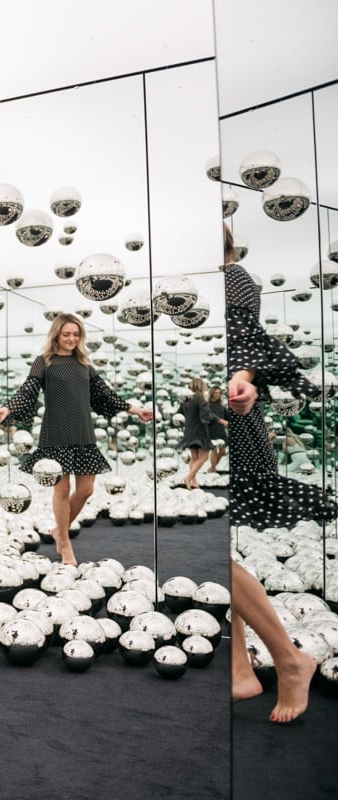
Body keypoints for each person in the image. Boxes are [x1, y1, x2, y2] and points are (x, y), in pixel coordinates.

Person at [222, 223, 331, 722]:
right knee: (218, 553)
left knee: (220, 556)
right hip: (214, 407)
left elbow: (247, 339)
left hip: (235, 409)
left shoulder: (235, 278)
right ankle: (241, 669)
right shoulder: (186, 286)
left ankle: (290, 660)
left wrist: (243, 378)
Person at [0, 313, 153, 566]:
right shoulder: (43, 362)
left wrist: (136, 409)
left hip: (83, 432)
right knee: (62, 490)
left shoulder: (84, 365)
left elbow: (106, 396)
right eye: (66, 334)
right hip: (55, 432)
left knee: (86, 490)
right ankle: (65, 542)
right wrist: (8, 409)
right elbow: (28, 390)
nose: (71, 338)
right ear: (56, 334)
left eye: (76, 334)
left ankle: (59, 530)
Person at [178, 377, 223, 489]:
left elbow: (179, 414)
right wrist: (217, 420)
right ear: (200, 386)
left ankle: (194, 482)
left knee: (194, 457)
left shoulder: (185, 400)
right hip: (200, 431)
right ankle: (188, 478)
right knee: (204, 457)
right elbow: (206, 416)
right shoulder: (199, 397)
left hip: (188, 432)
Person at [205, 385, 227, 473]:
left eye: (219, 393)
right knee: (214, 449)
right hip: (212, 429)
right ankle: (213, 469)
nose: (217, 395)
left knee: (222, 451)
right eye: (215, 393)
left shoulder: (222, 406)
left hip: (221, 430)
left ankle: (212, 467)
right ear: (212, 394)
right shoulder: (207, 406)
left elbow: (227, 417)